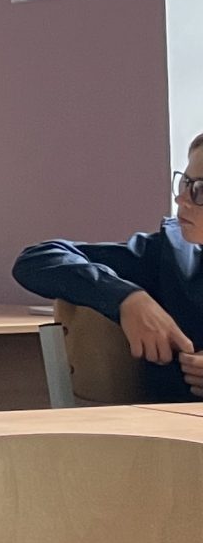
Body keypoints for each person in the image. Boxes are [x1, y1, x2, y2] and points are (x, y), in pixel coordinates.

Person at [13, 130, 203, 399]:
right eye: (185, 183)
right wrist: (127, 298)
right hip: (165, 423)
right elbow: (37, 259)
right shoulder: (171, 255)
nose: (181, 199)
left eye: (200, 190)